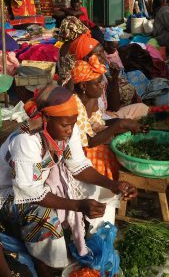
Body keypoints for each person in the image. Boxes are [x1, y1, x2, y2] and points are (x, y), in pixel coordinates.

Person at [0, 85, 138, 277]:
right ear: (46, 119)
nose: (70, 130)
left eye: (73, 124)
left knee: (86, 187)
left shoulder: (66, 129)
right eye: (65, 125)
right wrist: (77, 205)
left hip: (38, 183)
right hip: (9, 194)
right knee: (43, 216)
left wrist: (113, 185)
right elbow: (30, 193)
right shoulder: (26, 140)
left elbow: (79, 166)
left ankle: (75, 240)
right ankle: (46, 265)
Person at [71, 55, 149, 179]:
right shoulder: (74, 105)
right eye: (98, 84)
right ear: (84, 86)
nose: (102, 86)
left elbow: (99, 124)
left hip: (92, 140)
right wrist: (120, 124)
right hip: (80, 152)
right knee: (108, 156)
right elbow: (89, 142)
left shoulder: (90, 98)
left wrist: (124, 123)